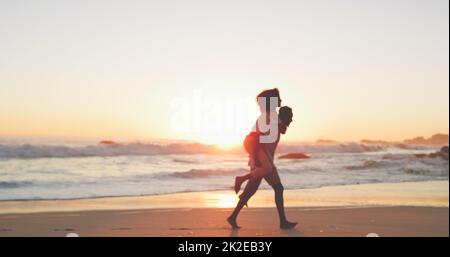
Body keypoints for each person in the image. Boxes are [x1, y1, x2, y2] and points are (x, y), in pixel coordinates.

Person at [227, 88, 297, 229]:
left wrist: (283, 118)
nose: (281, 100)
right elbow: (258, 138)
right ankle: (241, 180)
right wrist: (255, 158)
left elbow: (281, 129)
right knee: (276, 188)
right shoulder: (268, 115)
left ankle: (233, 217)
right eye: (278, 98)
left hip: (264, 157)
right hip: (260, 156)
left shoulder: (272, 116)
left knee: (255, 189)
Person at [234, 106, 293, 194]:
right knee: (256, 188)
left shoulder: (276, 127)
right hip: (261, 161)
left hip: (266, 161)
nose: (291, 120)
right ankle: (241, 179)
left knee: (275, 189)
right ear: (283, 116)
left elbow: (282, 131)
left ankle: (241, 183)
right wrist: (255, 158)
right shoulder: (272, 126)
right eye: (290, 117)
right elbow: (258, 140)